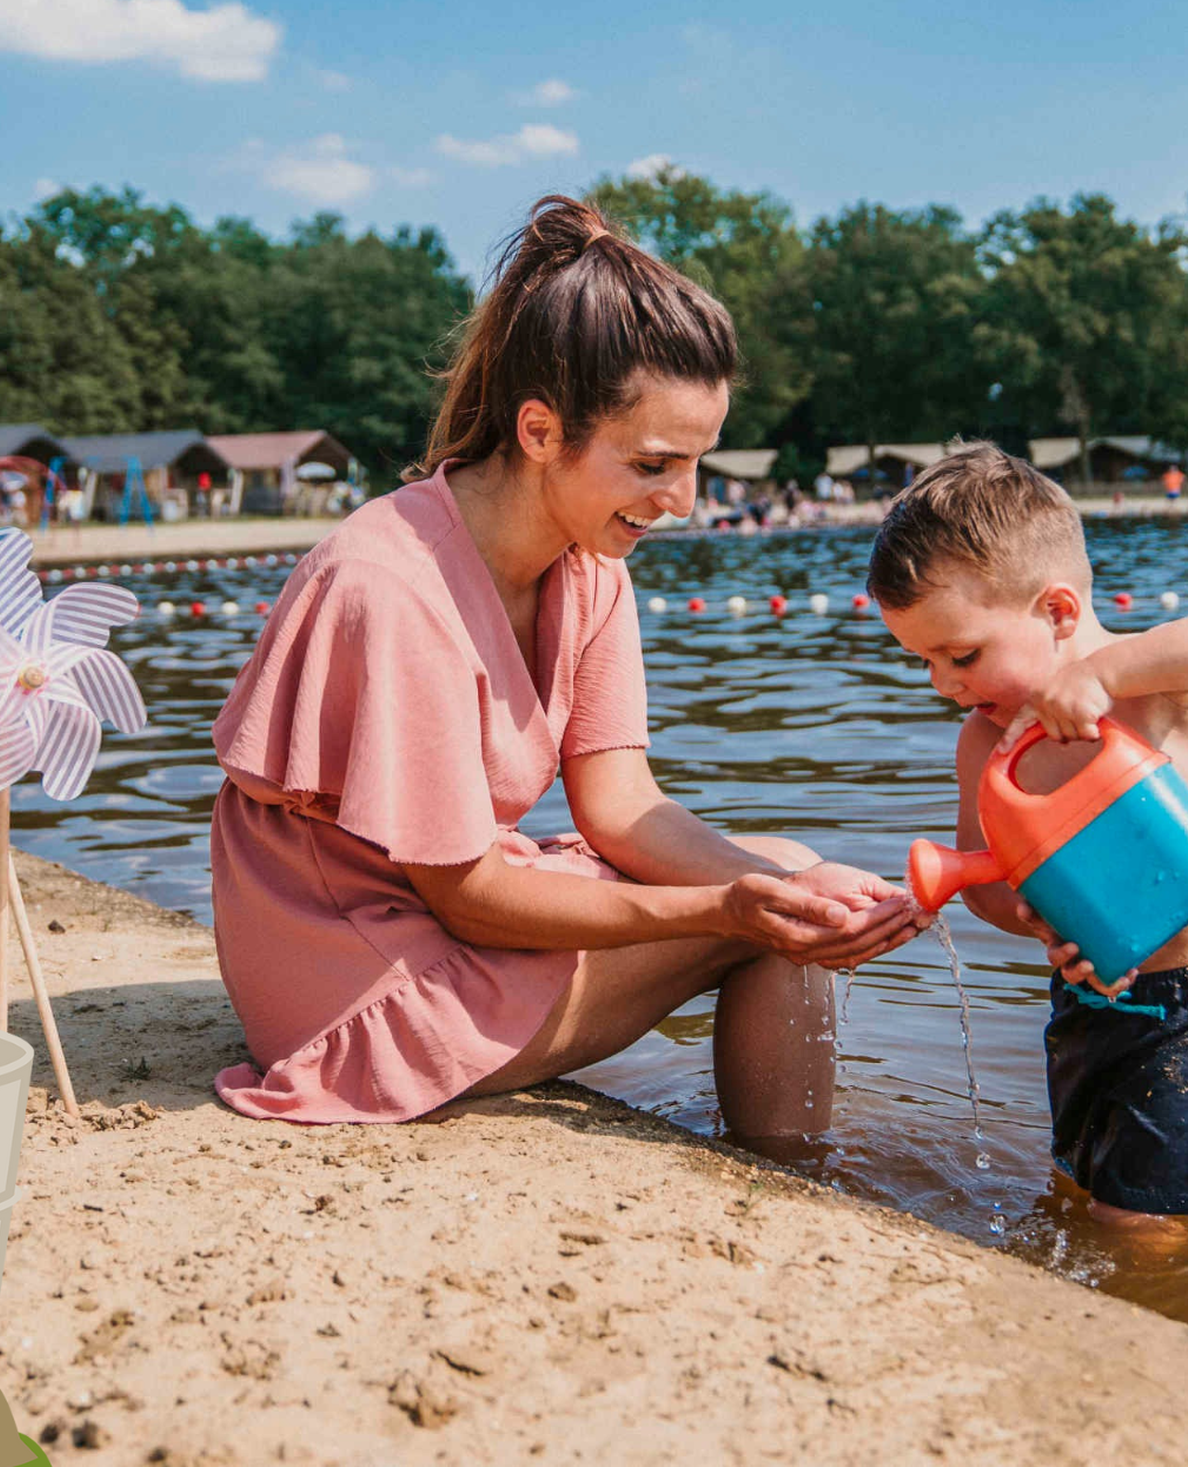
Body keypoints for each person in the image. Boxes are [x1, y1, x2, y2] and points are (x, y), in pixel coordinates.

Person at [207, 195, 923, 1143]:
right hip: (355, 987)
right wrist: (734, 907)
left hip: (435, 921)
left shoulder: (590, 562)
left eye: (698, 463)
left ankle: (793, 1157)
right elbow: (469, 896)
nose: (684, 502)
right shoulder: (391, 586)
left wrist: (780, 886)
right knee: (769, 915)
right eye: (656, 464)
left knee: (794, 883)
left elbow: (621, 806)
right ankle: (793, 1169)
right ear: (541, 431)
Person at [870, 443, 1188, 1224]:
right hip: (1084, 993)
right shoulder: (982, 744)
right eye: (923, 662)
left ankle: (1168, 1306)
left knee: (1143, 1213)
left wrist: (1105, 675)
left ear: (1058, 612)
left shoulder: (1155, 682)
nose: (945, 684)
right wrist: (1033, 917)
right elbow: (994, 885)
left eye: (962, 655)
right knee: (1081, 1175)